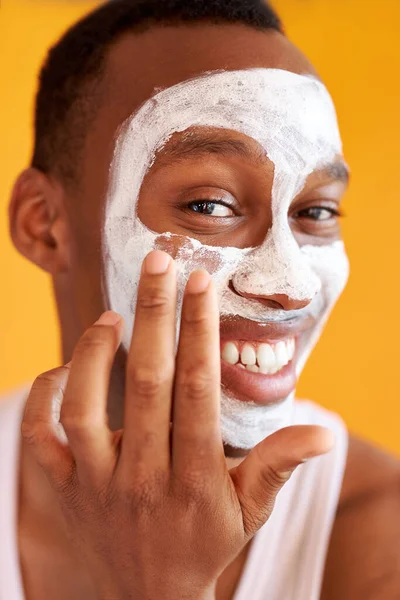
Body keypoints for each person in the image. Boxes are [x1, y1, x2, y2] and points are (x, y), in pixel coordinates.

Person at [1, 0, 399, 598]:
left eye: (315, 212)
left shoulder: (376, 528)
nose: (290, 283)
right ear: (45, 225)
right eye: (209, 206)